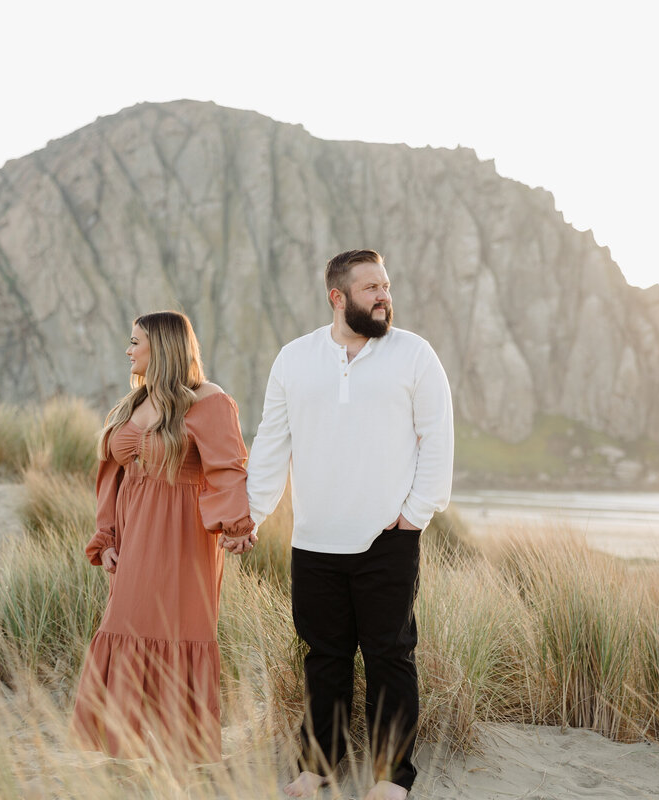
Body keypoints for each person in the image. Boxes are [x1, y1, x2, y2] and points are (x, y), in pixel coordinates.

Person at [247, 250, 454, 800]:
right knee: (324, 660)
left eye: (386, 285)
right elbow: (271, 444)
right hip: (313, 541)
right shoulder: (294, 359)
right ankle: (317, 766)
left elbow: (437, 437)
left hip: (387, 539)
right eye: (370, 288)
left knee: (390, 658)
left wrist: (415, 514)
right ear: (337, 297)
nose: (384, 295)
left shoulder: (414, 355)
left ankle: (391, 778)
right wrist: (251, 515)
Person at [72, 310, 257, 764]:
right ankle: (127, 749)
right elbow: (111, 476)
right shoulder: (132, 404)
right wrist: (107, 536)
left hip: (183, 540)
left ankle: (181, 755)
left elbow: (227, 469)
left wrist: (236, 526)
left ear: (164, 348)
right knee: (124, 628)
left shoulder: (209, 401)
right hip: (133, 540)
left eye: (136, 341)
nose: (128, 349)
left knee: (179, 633)